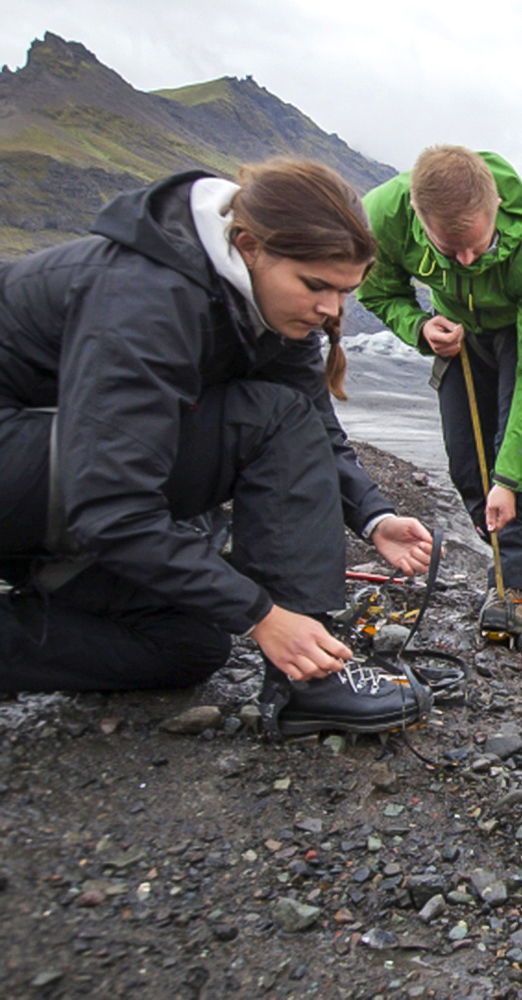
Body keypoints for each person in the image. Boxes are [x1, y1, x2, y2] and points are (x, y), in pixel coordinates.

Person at [0, 159, 436, 736]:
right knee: (267, 419)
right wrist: (263, 614)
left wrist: (373, 515)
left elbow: (313, 425)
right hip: (25, 466)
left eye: (345, 292)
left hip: (48, 477)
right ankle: (307, 685)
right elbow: (111, 506)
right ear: (250, 246)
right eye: (316, 285)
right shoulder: (145, 297)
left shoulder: (273, 312)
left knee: (186, 642)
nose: (332, 310)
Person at [358, 146, 522, 638]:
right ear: (418, 218)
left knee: (519, 455)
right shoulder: (381, 216)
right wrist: (417, 326)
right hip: (456, 329)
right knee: (466, 463)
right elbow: (375, 289)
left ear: (496, 203)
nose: (465, 260)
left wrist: (508, 475)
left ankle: (512, 583)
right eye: (449, 249)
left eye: (477, 246)